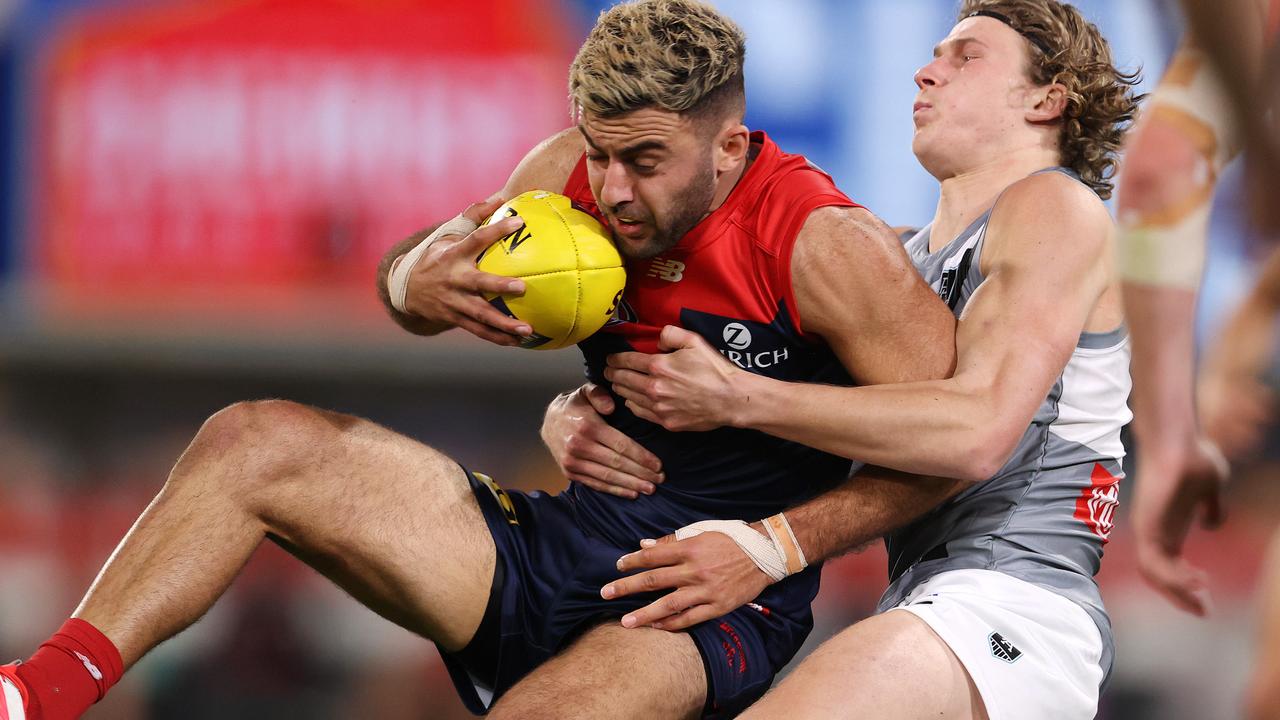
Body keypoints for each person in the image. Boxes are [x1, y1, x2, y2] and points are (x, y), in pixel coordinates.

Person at [0, 2, 965, 719]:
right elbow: (414, 275)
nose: (614, 191)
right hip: (559, 541)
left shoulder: (824, 245)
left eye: (645, 160)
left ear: (728, 143)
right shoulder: (562, 178)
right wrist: (411, 283)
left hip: (701, 602)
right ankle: (33, 698)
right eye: (600, 153)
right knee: (254, 440)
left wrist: (773, 546)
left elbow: (956, 445)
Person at [543, 1, 1139, 718]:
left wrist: (741, 402)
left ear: (1046, 98)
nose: (926, 70)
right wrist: (578, 408)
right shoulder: (897, 264)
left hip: (1014, 605)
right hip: (931, 603)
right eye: (933, 54)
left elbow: (978, 433)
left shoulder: (1053, 206)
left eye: (965, 56)